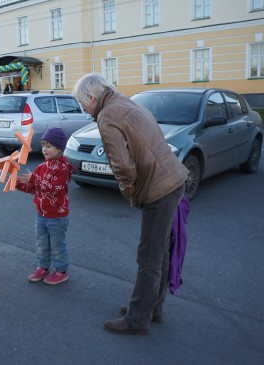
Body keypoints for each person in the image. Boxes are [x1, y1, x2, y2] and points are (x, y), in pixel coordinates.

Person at [72, 73, 189, 335]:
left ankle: (138, 319)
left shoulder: (106, 115)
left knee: (149, 255)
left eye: (83, 104)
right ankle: (152, 308)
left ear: (92, 97)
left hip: (159, 189)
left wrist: (130, 193)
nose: (84, 110)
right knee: (160, 252)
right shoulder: (125, 102)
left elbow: (121, 165)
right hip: (173, 180)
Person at [16, 128, 74, 285]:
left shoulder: (63, 167)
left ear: (60, 148)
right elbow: (35, 188)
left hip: (57, 216)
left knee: (57, 245)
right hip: (41, 214)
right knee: (42, 244)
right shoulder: (42, 167)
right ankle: (43, 267)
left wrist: (34, 178)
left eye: (49, 146)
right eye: (43, 145)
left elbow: (54, 188)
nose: (44, 149)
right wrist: (19, 183)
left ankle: (61, 271)